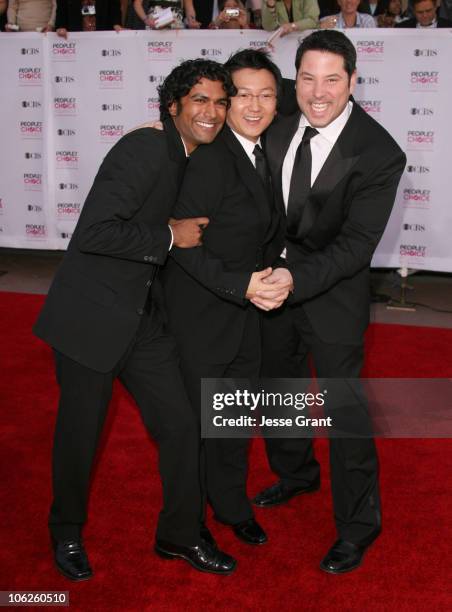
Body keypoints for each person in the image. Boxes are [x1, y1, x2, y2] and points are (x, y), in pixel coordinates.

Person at [33, 59, 238, 581]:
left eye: (219, 101)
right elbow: (95, 233)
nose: (211, 111)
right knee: (80, 436)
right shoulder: (146, 147)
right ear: (173, 106)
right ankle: (66, 533)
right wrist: (170, 237)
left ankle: (179, 535)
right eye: (199, 100)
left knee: (181, 424)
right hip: (91, 317)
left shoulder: (183, 150)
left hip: (142, 318)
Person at [250, 31, 406, 574]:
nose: (318, 92)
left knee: (344, 410)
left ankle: (359, 526)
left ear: (353, 82)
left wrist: (290, 278)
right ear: (295, 79)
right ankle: (296, 474)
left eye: (332, 79)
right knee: (276, 389)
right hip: (269, 290)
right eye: (307, 78)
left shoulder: (379, 151)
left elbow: (355, 248)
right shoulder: (278, 119)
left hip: (331, 294)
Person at [160, 49, 289, 548]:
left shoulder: (264, 152)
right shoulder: (211, 159)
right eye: (242, 95)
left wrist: (274, 272)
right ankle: (186, 527)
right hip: (201, 316)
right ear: (225, 100)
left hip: (244, 315)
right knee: (196, 428)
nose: (253, 105)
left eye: (266, 95)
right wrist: (244, 286)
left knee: (234, 422)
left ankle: (230, 505)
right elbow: (183, 246)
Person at [55, 0, 122, 37]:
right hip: (75, 34)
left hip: (102, 31)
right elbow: (61, 7)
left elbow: (114, 5)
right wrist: (61, 25)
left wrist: (116, 23)